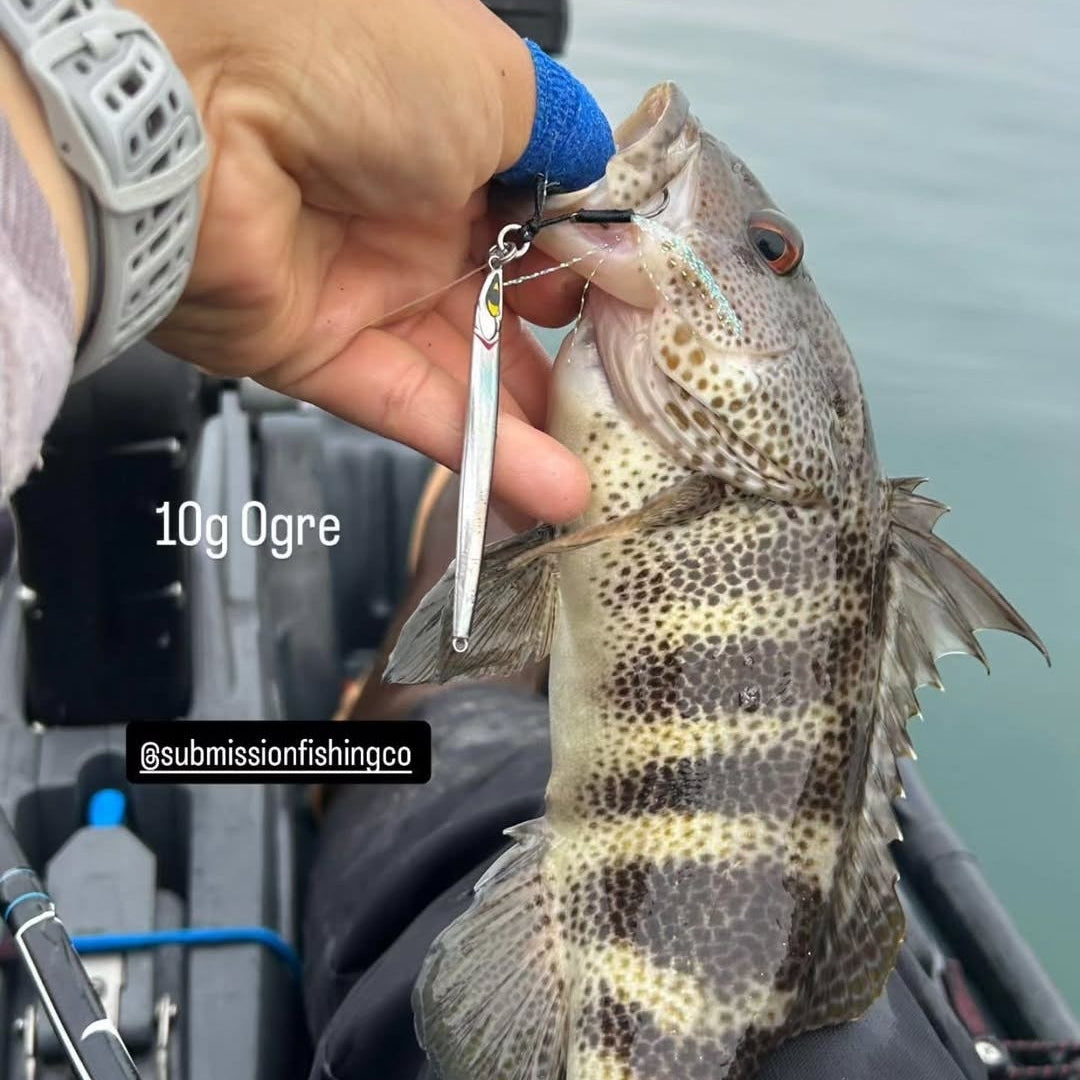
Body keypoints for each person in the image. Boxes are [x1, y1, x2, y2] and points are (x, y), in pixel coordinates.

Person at [0, 3, 990, 1078]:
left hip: (549, 900)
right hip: (786, 1000)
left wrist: (153, 102)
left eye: (768, 252)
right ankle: (462, 635)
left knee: (444, 742)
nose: (752, 241)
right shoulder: (782, 495)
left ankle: (399, 711)